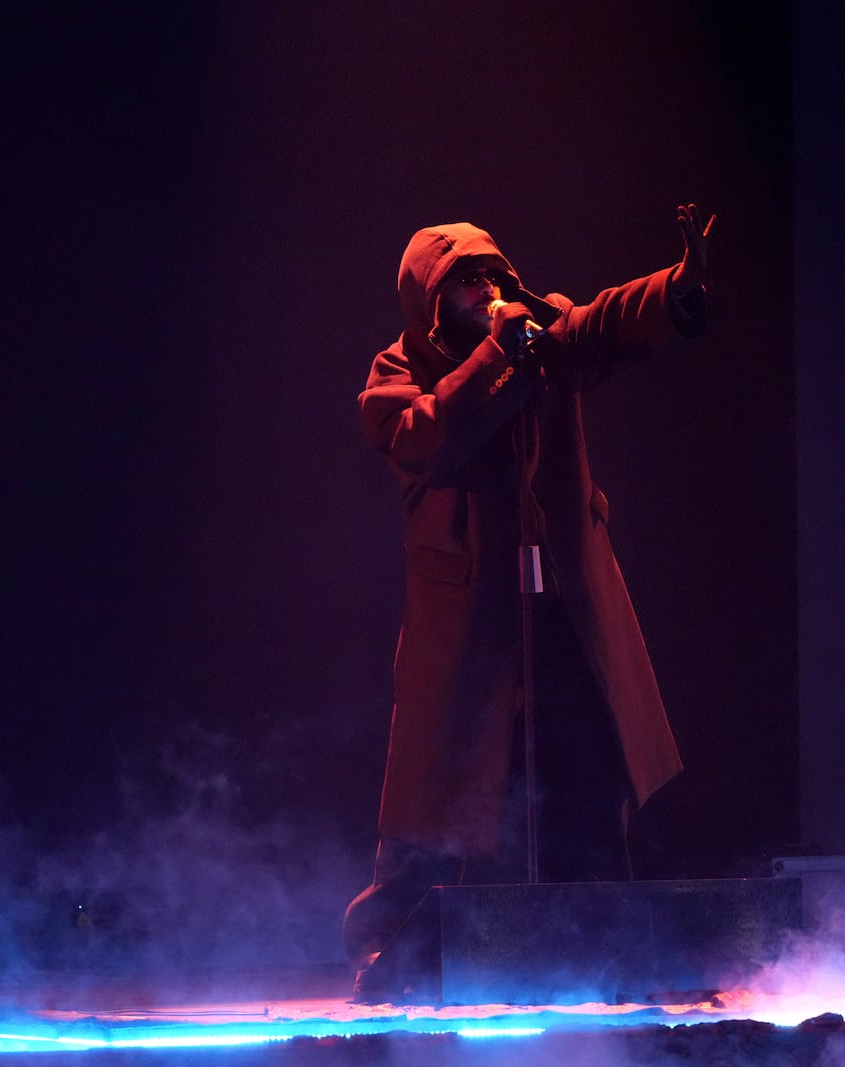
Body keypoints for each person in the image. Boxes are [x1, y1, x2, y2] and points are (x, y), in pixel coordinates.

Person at [343, 204, 714, 991]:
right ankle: (389, 958)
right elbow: (428, 436)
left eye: (490, 273)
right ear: (429, 298)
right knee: (441, 795)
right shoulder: (397, 370)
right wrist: (498, 350)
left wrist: (676, 287)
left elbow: (608, 321)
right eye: (464, 280)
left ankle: (603, 953)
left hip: (562, 607)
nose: (485, 288)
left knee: (588, 769)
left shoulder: (543, 330)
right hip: (470, 620)